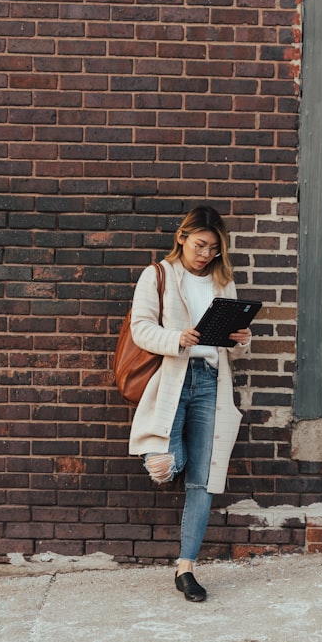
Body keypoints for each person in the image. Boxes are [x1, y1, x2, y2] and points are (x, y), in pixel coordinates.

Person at [127, 205, 251, 602]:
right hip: (173, 380)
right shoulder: (158, 274)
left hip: (212, 382)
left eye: (213, 249)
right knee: (164, 465)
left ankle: (186, 568)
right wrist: (177, 338)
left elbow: (231, 347)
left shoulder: (223, 280)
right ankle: (168, 461)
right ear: (182, 238)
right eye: (200, 245)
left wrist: (243, 340)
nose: (205, 254)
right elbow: (140, 327)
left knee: (203, 480)